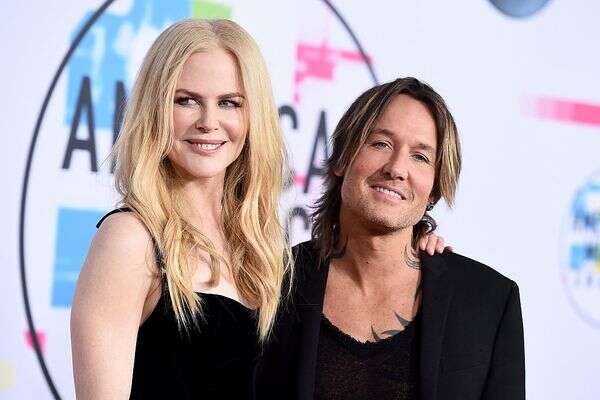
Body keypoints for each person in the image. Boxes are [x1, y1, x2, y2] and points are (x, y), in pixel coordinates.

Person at [256, 77, 525, 400]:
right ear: (342, 158)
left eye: (420, 157)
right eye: (380, 144)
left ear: (435, 190)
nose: (396, 168)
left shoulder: (488, 301)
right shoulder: (270, 283)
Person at [70, 19, 292, 399]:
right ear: (155, 108)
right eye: (186, 100)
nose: (209, 122)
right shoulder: (130, 240)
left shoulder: (262, 249)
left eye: (229, 103)